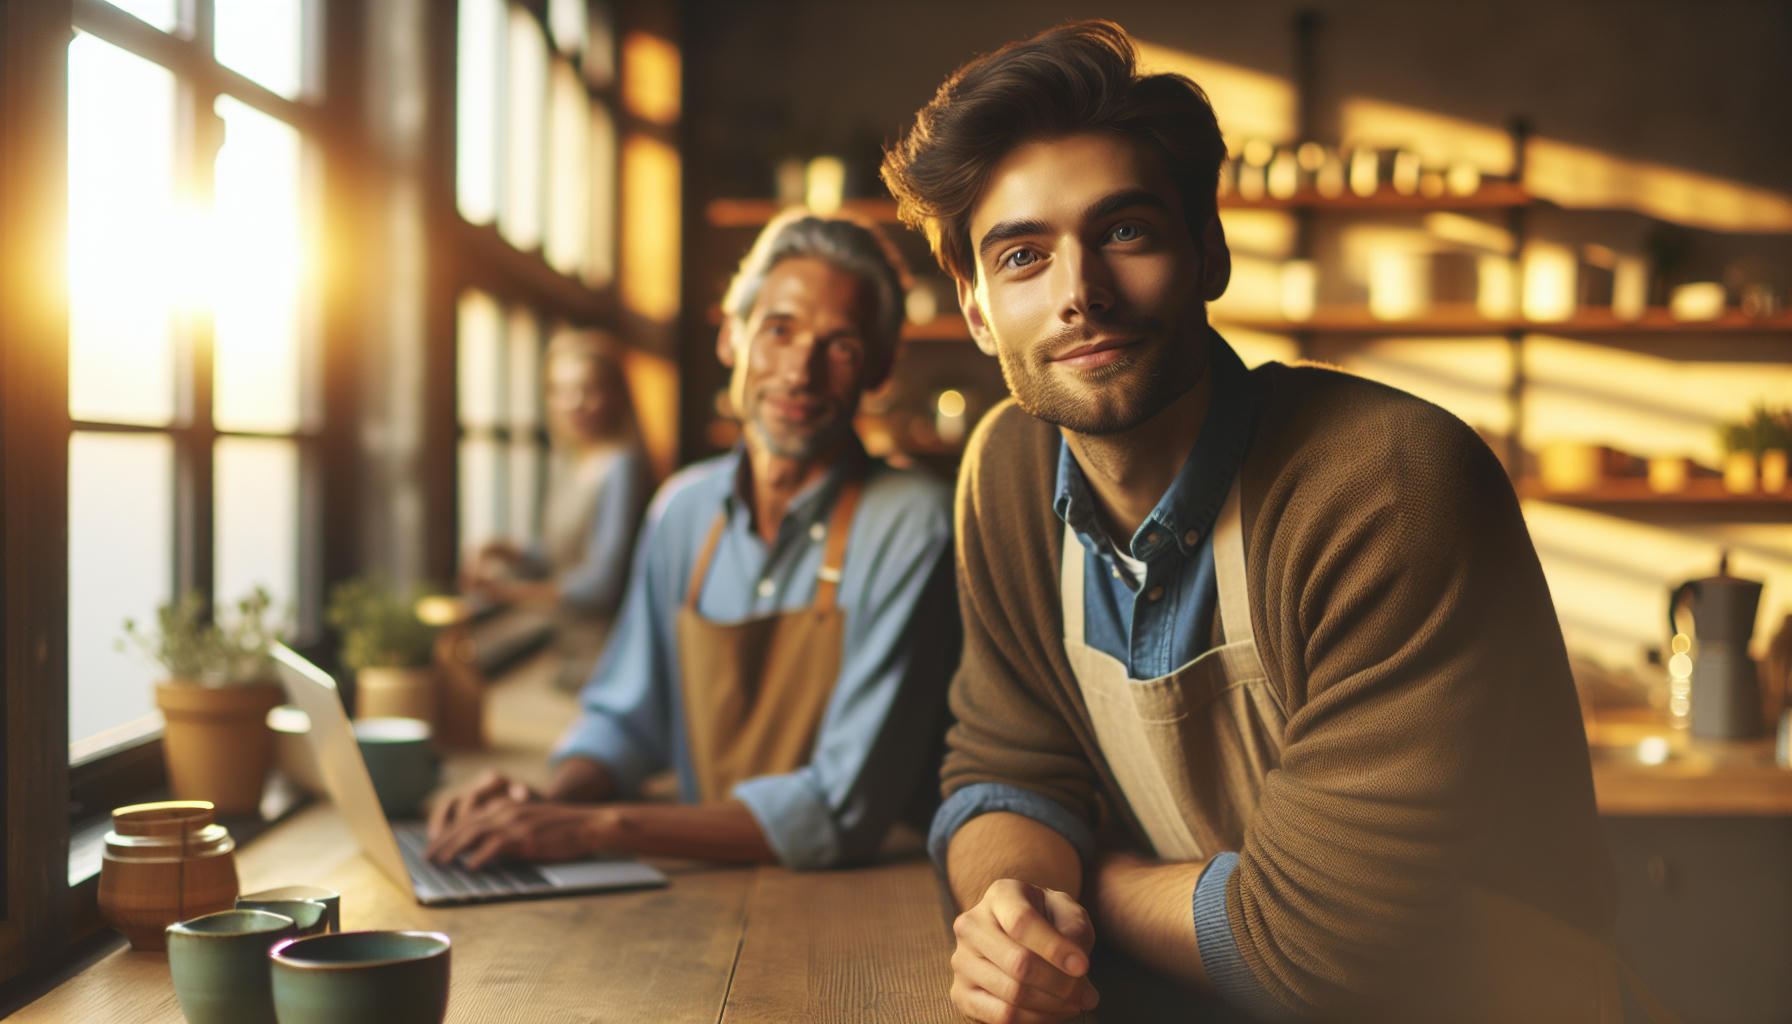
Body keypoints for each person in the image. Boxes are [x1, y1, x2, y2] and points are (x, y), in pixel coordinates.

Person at [881, 20, 1622, 1023]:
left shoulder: (1388, 485)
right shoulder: (1006, 471)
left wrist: (1078, 888)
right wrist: (1011, 909)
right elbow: (1005, 765)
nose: (1079, 294)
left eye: (1125, 231)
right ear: (973, 310)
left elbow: (1321, 947)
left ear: (1209, 252)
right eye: (1022, 257)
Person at [427, 209, 958, 872]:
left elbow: (838, 808)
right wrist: (540, 800)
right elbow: (628, 716)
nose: (800, 372)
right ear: (731, 338)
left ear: (878, 371)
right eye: (778, 330)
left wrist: (595, 826)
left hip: (872, 904)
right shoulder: (682, 510)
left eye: (841, 346)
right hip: (709, 883)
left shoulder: (917, 527)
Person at [461, 330, 648, 690]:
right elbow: (560, 557)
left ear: (613, 396)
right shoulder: (569, 462)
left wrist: (508, 594)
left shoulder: (621, 466)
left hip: (609, 659)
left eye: (588, 390)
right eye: (561, 391)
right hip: (568, 656)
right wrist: (504, 550)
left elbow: (601, 583)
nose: (574, 403)